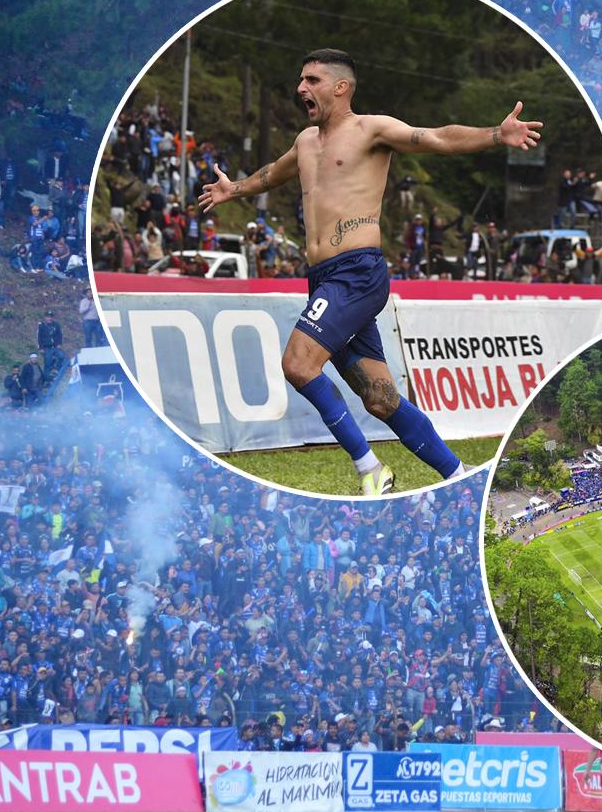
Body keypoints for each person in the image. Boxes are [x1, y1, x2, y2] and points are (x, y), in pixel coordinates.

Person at [199, 48, 542, 494]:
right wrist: (234, 190)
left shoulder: (371, 129)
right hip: (324, 280)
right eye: (301, 80)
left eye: (312, 80)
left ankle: (369, 468)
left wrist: (497, 134)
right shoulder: (305, 141)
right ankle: (459, 479)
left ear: (341, 87)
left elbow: (435, 138)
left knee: (298, 364)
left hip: (356, 274)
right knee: (381, 401)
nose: (302, 88)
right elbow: (272, 174)